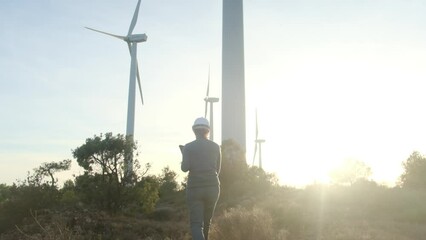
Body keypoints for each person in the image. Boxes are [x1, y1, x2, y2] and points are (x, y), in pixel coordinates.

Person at [181, 117, 221, 240]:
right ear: (208, 130)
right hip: (213, 187)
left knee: (196, 225)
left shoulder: (188, 147)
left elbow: (184, 168)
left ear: (194, 130)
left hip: (195, 188)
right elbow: (218, 170)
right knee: (207, 223)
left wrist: (184, 154)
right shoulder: (216, 147)